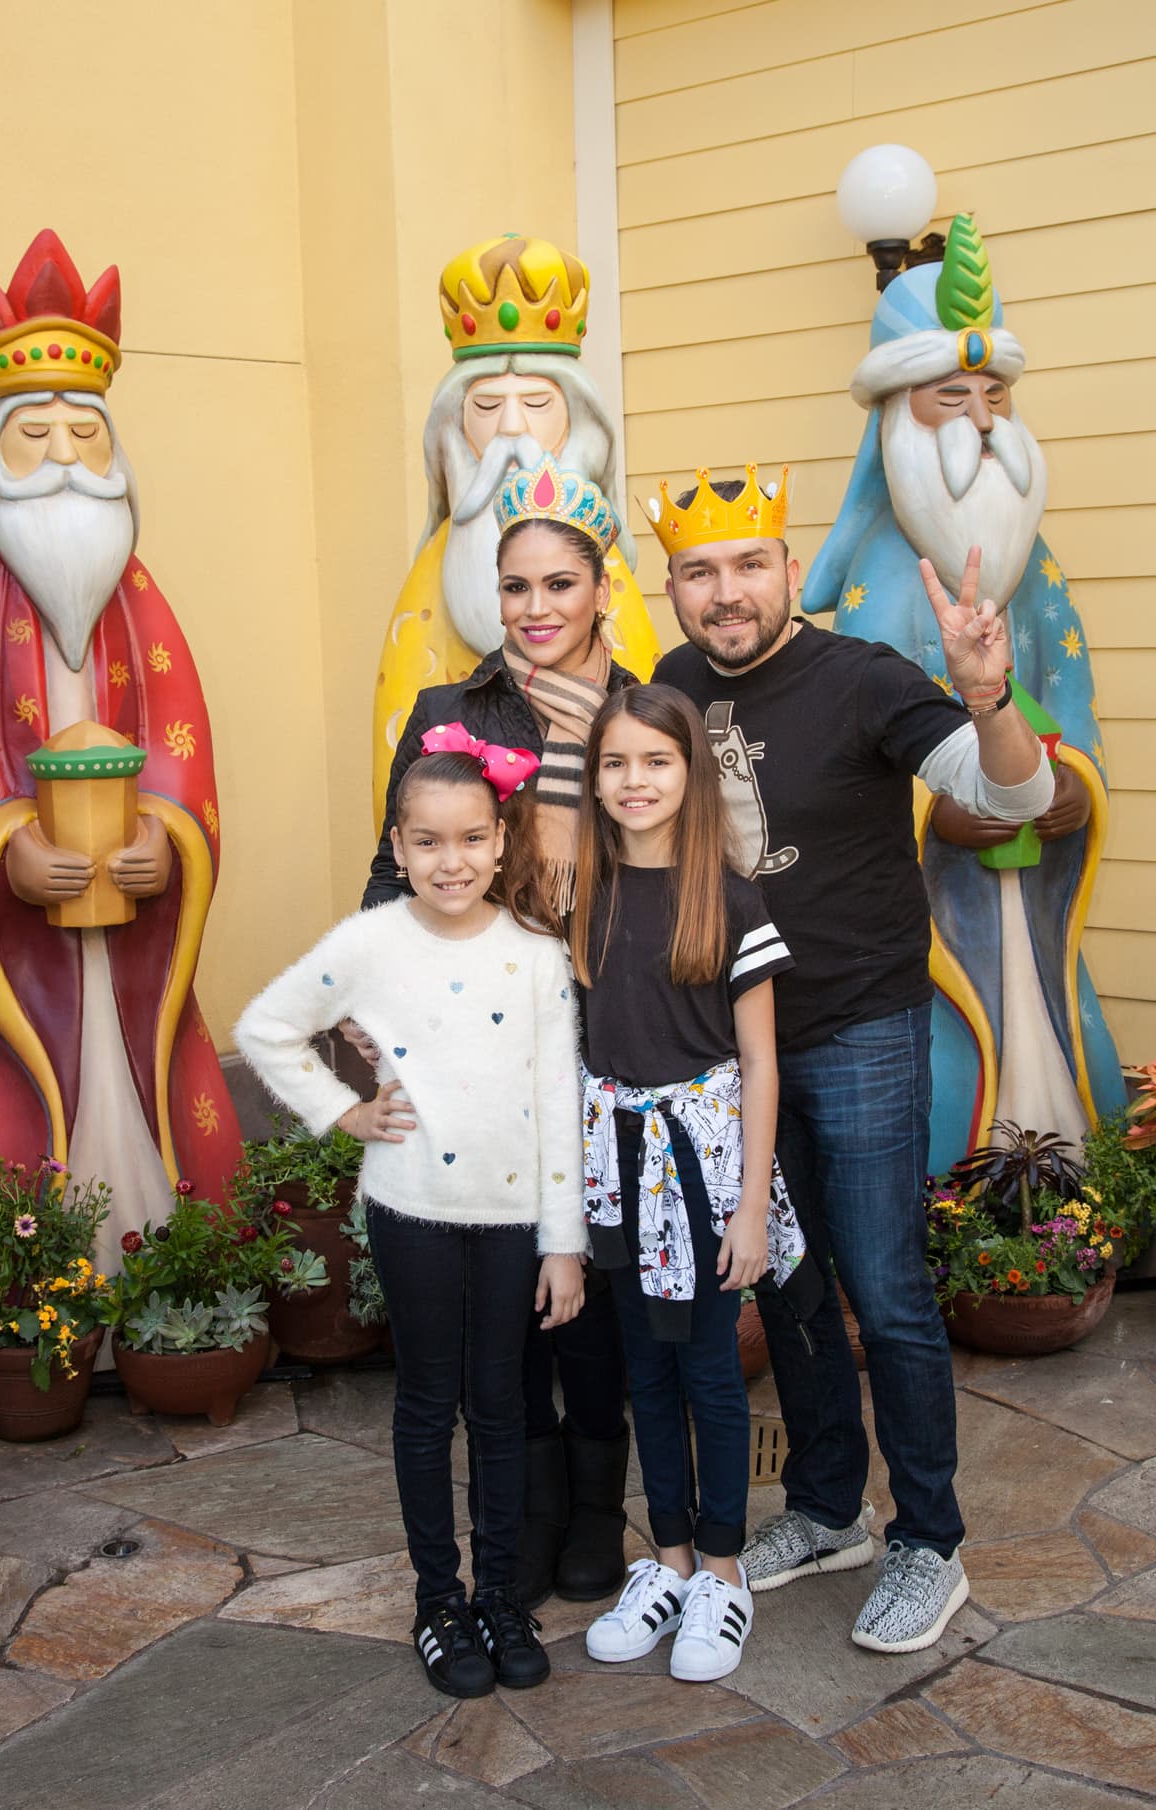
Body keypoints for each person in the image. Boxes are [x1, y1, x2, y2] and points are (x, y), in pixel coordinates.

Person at [650, 463, 1054, 1653]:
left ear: (786, 567)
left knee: (882, 1290)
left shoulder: (864, 678)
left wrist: (987, 695)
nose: (725, 593)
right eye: (697, 571)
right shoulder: (669, 690)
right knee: (786, 1285)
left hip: (862, 1028)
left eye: (747, 564)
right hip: (736, 1040)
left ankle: (927, 1535)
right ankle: (827, 1508)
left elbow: (1009, 794)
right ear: (670, 586)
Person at [0, 229, 241, 1270]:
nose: (61, 457)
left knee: (150, 1066)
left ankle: (174, 1256)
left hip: (131, 933)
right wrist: (2, 845)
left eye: (83, 435)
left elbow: (182, 745)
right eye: (34, 434)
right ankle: (33, 1287)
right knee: (16, 1107)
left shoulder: (141, 606)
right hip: (29, 940)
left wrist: (165, 835)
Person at [236, 742, 586, 1699]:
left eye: (472, 838)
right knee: (429, 1407)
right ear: (398, 844)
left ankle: (502, 1596)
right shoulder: (371, 943)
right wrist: (342, 1112)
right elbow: (265, 1027)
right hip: (414, 1212)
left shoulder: (538, 955)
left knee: (503, 1408)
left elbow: (560, 1097)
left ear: (500, 837)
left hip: (517, 1221)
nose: (451, 861)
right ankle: (440, 1600)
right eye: (427, 841)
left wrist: (565, 1241)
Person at [363, 454, 635, 1610]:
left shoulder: (646, 706)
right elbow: (389, 881)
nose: (533, 610)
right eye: (513, 585)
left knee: (599, 1292)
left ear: (597, 590)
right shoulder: (446, 714)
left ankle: (594, 1511)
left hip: (613, 1038)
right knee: (513, 1296)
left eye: (556, 585)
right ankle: (521, 1520)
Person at [803, 212, 1124, 1168]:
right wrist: (930, 813)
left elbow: (1071, 689)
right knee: (948, 1061)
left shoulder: (1039, 566)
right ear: (902, 416)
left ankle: (1074, 1205)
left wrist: (1075, 781)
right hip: (936, 907)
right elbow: (854, 737)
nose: (983, 420)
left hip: (1036, 866)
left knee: (1062, 1030)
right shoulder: (879, 576)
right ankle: (956, 1221)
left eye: (995, 395)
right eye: (953, 396)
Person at [574, 685, 811, 1682]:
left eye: (656, 762)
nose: (635, 781)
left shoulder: (727, 895)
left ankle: (721, 1571)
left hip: (705, 1172)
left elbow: (758, 1062)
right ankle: (665, 1558)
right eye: (616, 762)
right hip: (619, 1170)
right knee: (644, 1369)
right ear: (593, 776)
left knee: (710, 1373)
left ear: (689, 773)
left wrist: (750, 1205)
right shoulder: (580, 893)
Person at [372, 233, 659, 819]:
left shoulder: (632, 689)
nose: (509, 428)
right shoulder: (440, 700)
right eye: (484, 407)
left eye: (535, 404)